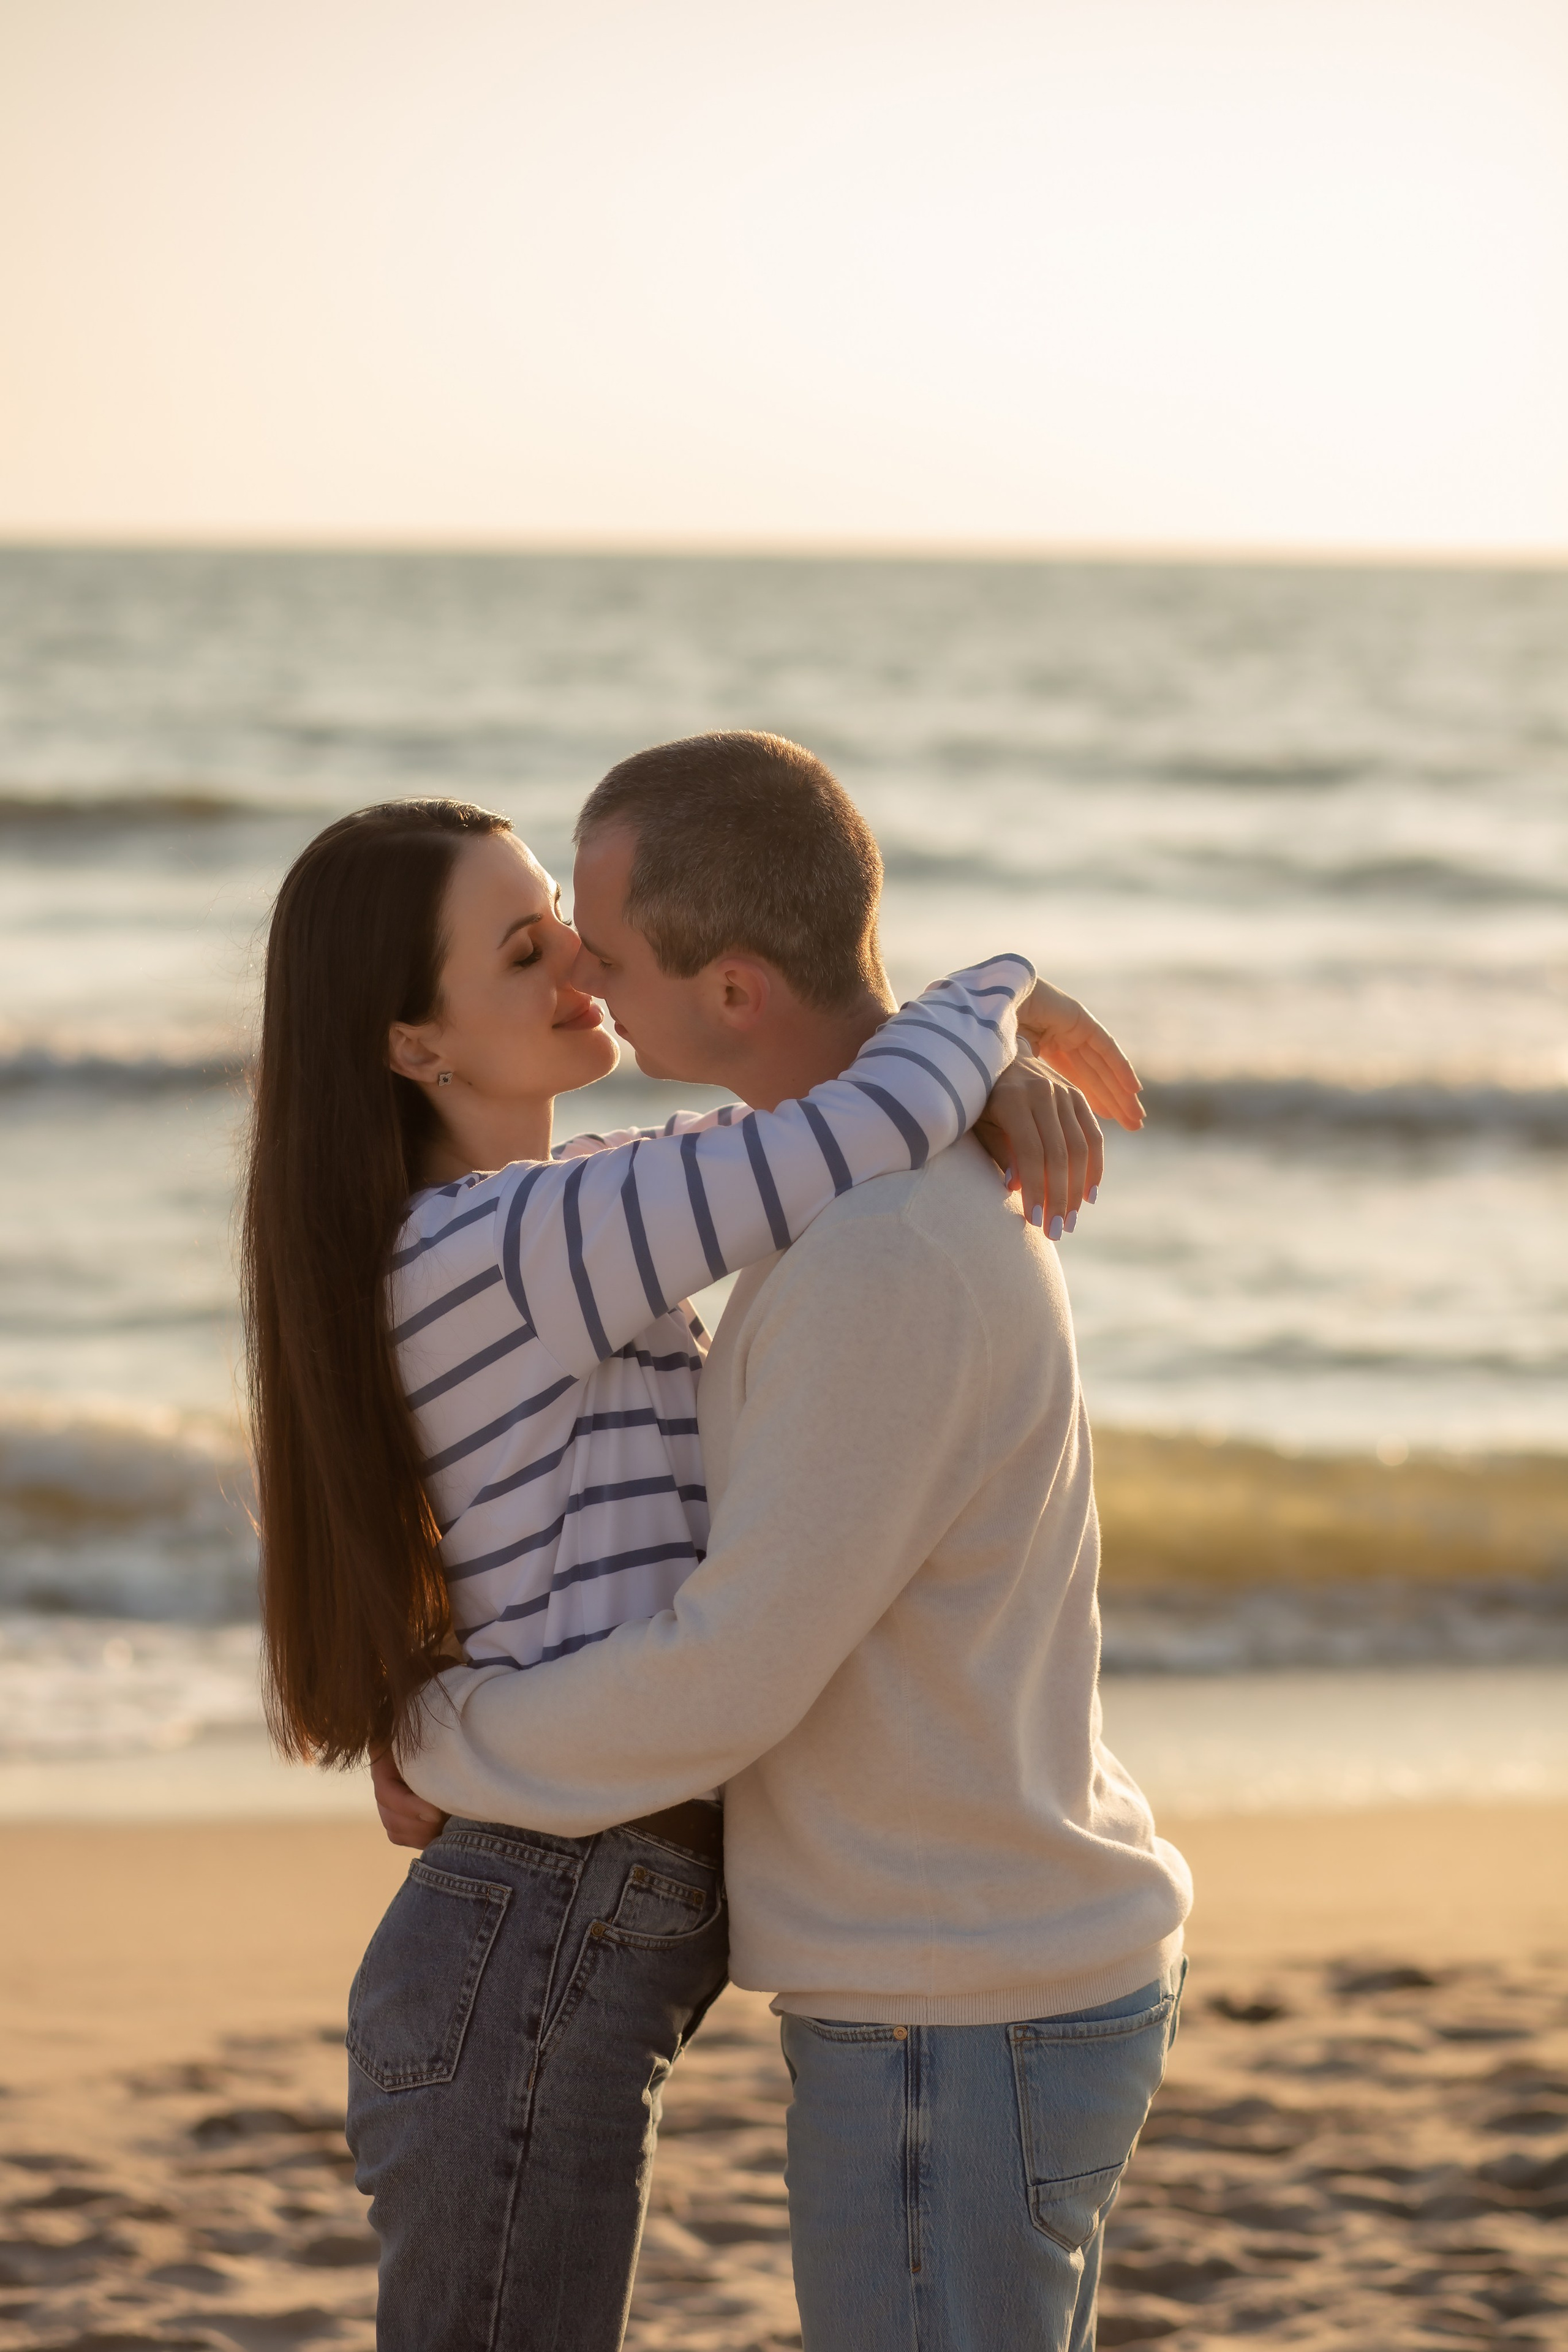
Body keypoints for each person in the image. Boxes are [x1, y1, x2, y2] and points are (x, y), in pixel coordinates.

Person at [241, 741, 1133, 2351]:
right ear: (408, 1040)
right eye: (530, 951)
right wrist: (998, 997)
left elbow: (833, 1134)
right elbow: (839, 1136)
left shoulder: (578, 1210)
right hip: (539, 1897)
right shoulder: (514, 1246)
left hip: (564, 1893)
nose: (578, 962)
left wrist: (967, 1081)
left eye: (573, 930)